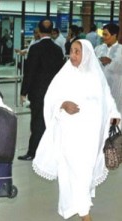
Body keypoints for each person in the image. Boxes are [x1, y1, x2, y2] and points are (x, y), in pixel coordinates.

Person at [32, 39, 121, 221]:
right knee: (76, 171)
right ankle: (84, 213)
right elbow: (51, 99)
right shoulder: (65, 75)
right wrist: (63, 104)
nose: (72, 55)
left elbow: (107, 98)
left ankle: (80, 204)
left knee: (84, 173)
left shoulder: (96, 75)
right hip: (70, 135)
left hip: (91, 137)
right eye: (71, 51)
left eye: (77, 52)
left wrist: (114, 115)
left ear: (86, 54)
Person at [18, 19, 64, 161]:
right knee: (50, 121)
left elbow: (30, 71)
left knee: (37, 121)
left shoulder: (35, 48)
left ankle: (33, 152)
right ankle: (50, 151)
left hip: (38, 92)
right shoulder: (58, 49)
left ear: (38, 30)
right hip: (54, 92)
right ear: (52, 31)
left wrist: (24, 91)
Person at [95, 23, 122, 115]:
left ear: (114, 35)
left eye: (106, 34)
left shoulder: (121, 51)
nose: (103, 37)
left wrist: (111, 62)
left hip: (116, 90)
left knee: (115, 116)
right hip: (100, 90)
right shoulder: (98, 49)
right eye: (103, 34)